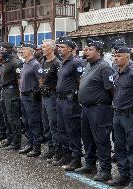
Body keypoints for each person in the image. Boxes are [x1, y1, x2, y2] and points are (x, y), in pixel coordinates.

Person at [76, 39, 114, 181]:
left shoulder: (104, 67)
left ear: (98, 51)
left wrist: (108, 105)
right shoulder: (88, 65)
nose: (86, 51)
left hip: (99, 109)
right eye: (85, 49)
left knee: (101, 139)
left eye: (90, 49)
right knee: (87, 138)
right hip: (86, 108)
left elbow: (111, 89)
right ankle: (90, 164)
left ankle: (105, 170)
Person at [108, 45, 133, 189]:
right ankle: (124, 175)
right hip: (117, 114)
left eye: (119, 56)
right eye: (114, 56)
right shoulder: (116, 73)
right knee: (119, 148)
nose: (116, 58)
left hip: (130, 115)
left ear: (127, 57)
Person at [53, 37, 83, 167]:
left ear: (70, 49)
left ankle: (76, 158)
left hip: (70, 101)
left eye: (62, 47)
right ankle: (66, 156)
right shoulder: (62, 62)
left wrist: (79, 99)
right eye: (59, 47)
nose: (59, 49)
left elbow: (80, 82)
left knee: (72, 130)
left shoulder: (76, 62)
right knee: (61, 129)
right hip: (60, 100)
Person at [18, 42, 43, 157]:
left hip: (31, 97)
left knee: (34, 122)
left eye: (24, 49)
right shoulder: (25, 64)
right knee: (26, 121)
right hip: (24, 96)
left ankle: (36, 147)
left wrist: (37, 93)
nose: (22, 51)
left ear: (31, 51)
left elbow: (41, 82)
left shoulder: (35, 64)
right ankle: (30, 144)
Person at [39, 40, 61, 161]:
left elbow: (60, 81)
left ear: (52, 49)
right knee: (46, 122)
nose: (42, 49)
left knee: (53, 124)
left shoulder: (57, 63)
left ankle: (57, 150)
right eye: (42, 47)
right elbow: (41, 77)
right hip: (44, 95)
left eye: (45, 47)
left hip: (53, 96)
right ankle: (50, 148)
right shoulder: (43, 61)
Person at [0, 42, 22, 151]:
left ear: (8, 50)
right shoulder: (5, 62)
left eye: (3, 49)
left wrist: (19, 94)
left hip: (12, 92)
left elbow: (19, 80)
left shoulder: (15, 62)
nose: (1, 51)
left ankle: (16, 142)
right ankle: (10, 138)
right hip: (4, 91)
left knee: (13, 118)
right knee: (6, 117)